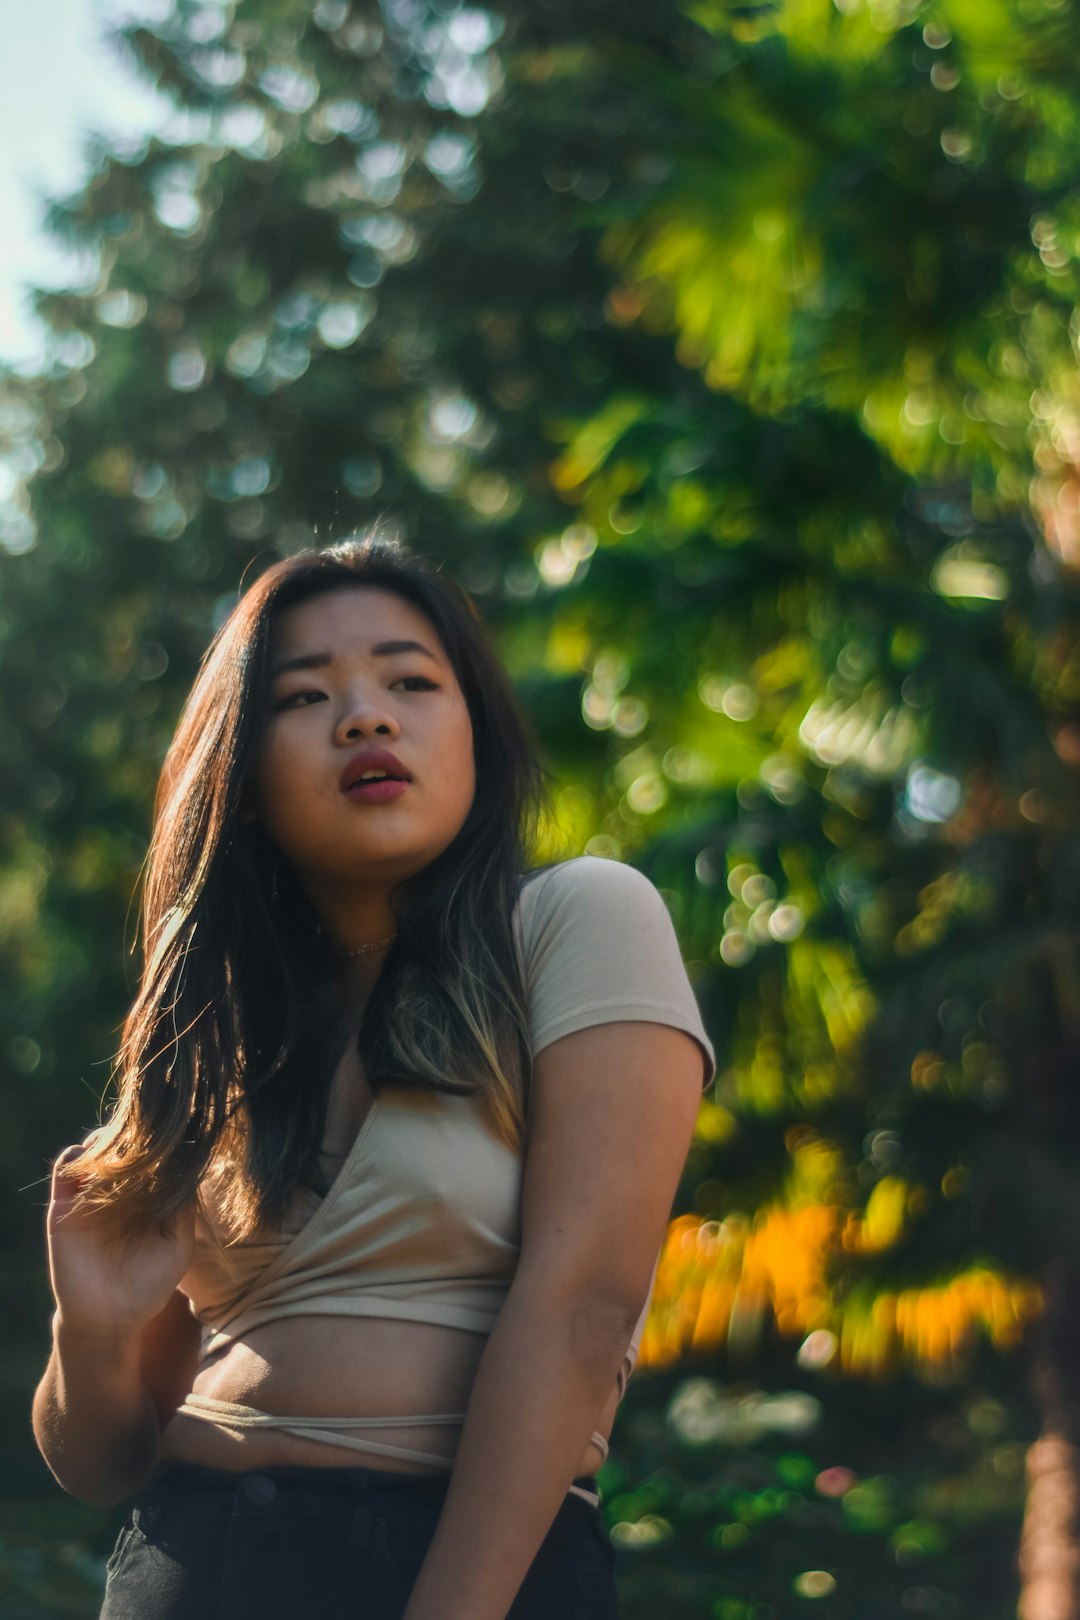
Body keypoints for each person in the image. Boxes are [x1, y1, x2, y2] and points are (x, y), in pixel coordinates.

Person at [33, 530, 716, 1620]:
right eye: (305, 698)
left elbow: (584, 1307)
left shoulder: (577, 919)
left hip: (464, 1571)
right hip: (189, 1559)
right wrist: (97, 1332)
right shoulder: (218, 1024)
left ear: (477, 737)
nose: (366, 716)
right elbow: (101, 1463)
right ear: (242, 776)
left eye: (411, 680)